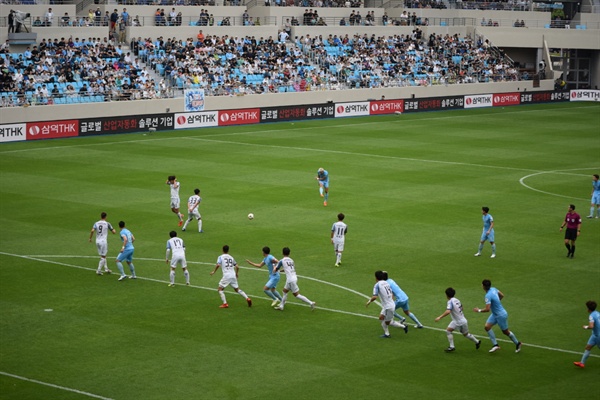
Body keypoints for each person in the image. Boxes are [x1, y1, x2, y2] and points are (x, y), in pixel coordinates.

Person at [473, 279, 522, 353]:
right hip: (495, 314)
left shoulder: (487, 296)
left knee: (505, 332)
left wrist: (479, 310)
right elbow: (502, 295)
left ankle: (518, 343)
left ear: (483, 286)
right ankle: (495, 345)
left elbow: (487, 309)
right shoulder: (494, 289)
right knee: (487, 327)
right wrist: (496, 302)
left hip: (501, 315)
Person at [435, 287, 481, 352]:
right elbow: (462, 308)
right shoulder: (457, 300)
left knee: (449, 331)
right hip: (462, 319)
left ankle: (452, 347)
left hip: (458, 322)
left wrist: (439, 317)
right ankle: (477, 341)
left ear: (447, 295)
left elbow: (448, 311)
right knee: (465, 334)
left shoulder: (450, 302)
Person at [366, 270, 407, 338]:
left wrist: (369, 301)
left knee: (388, 322)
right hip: (388, 305)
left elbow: (375, 297)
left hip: (388, 307)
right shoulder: (386, 283)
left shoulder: (377, 285)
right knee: (381, 318)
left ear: (376, 278)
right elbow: (391, 293)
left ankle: (403, 326)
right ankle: (387, 334)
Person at [273, 247, 316, 311]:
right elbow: (288, 269)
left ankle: (311, 303)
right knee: (284, 291)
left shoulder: (282, 261)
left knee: (296, 295)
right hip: (294, 277)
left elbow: (275, 270)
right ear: (289, 253)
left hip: (290, 280)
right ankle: (281, 306)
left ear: (282, 253)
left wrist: (274, 265)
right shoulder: (291, 260)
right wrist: (281, 271)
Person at [574, 300, 599, 368]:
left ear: (588, 309)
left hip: (598, 336)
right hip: (594, 335)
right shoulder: (598, 313)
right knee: (588, 347)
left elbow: (591, 326)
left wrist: (585, 327)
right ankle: (582, 363)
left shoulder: (591, 316)